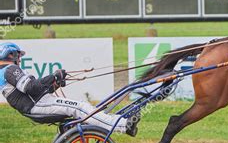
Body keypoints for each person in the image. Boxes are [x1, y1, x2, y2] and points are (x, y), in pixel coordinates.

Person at [0, 42, 139, 136]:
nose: (20, 59)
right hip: (38, 105)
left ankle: (117, 121)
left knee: (83, 107)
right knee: (81, 108)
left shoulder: (6, 72)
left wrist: (55, 82)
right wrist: (53, 77)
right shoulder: (10, 70)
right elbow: (31, 88)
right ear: (11, 54)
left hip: (37, 105)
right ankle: (122, 126)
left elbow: (31, 92)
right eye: (19, 56)